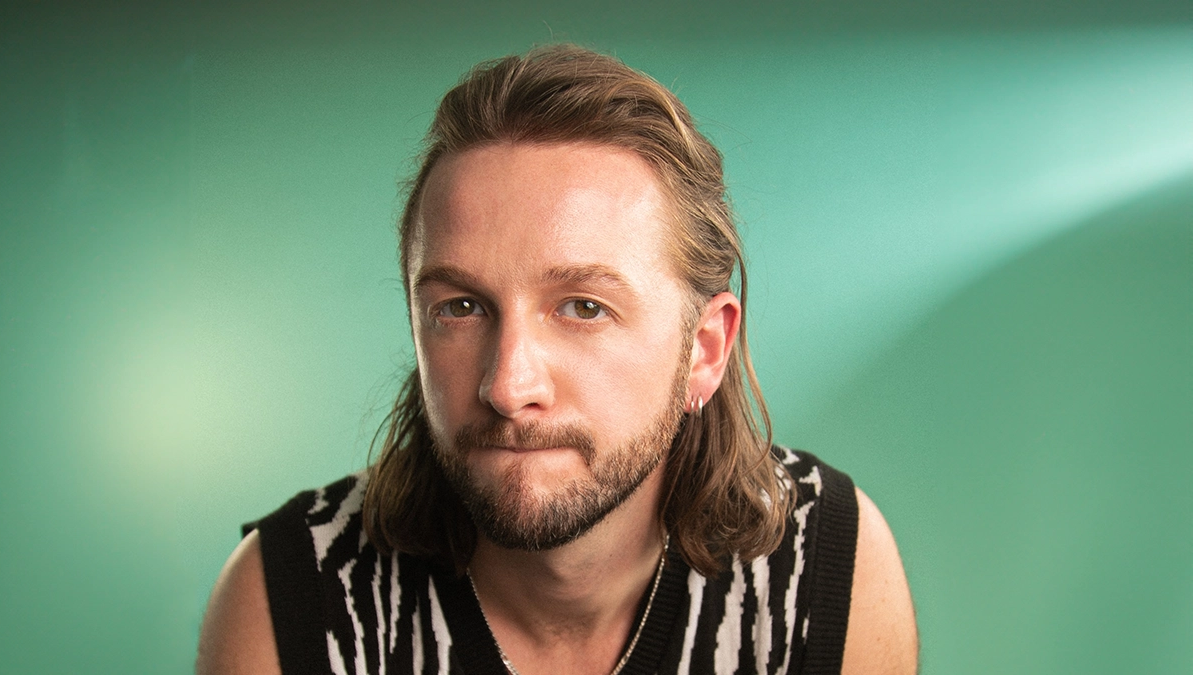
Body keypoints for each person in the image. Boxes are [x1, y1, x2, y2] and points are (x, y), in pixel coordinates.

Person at [197, 44, 917, 675]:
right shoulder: (293, 598)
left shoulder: (821, 570)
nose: (509, 385)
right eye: (461, 307)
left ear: (704, 350)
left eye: (584, 307)